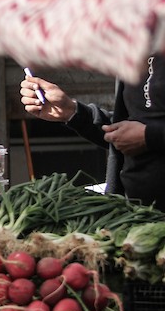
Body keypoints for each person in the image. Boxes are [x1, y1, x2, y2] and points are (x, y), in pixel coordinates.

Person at [21, 61, 165, 211]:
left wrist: (149, 136)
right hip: (136, 213)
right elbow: (124, 132)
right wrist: (72, 112)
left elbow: (143, 134)